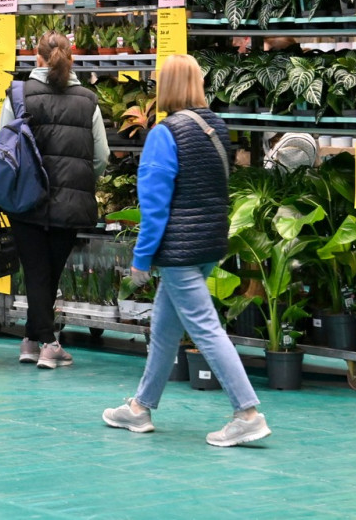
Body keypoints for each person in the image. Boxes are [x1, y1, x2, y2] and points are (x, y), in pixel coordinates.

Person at [102, 54, 271, 447]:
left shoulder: (165, 134)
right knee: (164, 330)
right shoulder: (215, 127)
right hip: (209, 243)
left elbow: (155, 206)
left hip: (179, 250)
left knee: (206, 329)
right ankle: (140, 408)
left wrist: (141, 258)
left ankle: (247, 413)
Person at [0, 31, 109, 369]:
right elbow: (101, 156)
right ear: (71, 58)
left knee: (36, 272)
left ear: (37, 57)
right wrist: (80, 179)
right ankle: (46, 343)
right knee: (50, 272)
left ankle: (34, 341)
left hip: (25, 199)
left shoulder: (18, 94)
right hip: (70, 201)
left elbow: (2, 150)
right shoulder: (88, 100)